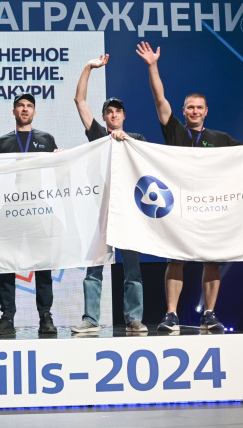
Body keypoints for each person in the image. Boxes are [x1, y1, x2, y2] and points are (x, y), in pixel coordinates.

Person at [136, 41, 243, 332]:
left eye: (199, 108)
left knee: (213, 259)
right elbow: (159, 99)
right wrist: (153, 66)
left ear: (206, 111)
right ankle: (171, 315)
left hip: (212, 208)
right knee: (176, 258)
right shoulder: (175, 131)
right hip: (179, 207)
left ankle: (209, 314)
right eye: (190, 108)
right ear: (184, 111)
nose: (194, 111)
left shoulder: (221, 139)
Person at [71, 53, 148, 334]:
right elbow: (80, 101)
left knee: (132, 270)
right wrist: (88, 67)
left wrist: (127, 142)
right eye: (109, 112)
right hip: (101, 211)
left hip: (128, 213)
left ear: (124, 115)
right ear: (104, 117)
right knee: (94, 268)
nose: (113, 115)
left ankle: (134, 318)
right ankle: (91, 319)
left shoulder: (137, 140)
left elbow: (147, 170)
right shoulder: (98, 137)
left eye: (117, 111)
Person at [0, 93, 60, 336]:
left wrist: (63, 159)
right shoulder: (3, 142)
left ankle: (45, 317)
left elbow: (58, 172)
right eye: (20, 106)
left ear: (34, 112)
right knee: (7, 264)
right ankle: (7, 317)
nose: (25, 109)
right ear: (14, 111)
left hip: (38, 209)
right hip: (11, 210)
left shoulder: (46, 139)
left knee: (43, 264)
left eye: (29, 106)